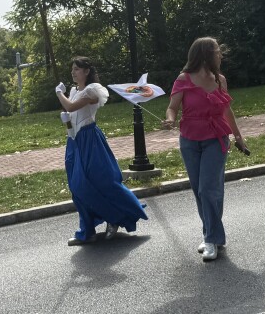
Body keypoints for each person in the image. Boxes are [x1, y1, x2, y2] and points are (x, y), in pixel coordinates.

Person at [162, 37, 248, 262]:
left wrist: (238, 136)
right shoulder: (183, 79)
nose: (220, 55)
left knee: (208, 189)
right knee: (201, 190)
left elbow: (227, 112)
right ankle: (211, 234)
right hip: (190, 140)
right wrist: (170, 120)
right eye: (217, 52)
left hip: (215, 138)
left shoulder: (220, 80)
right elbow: (172, 108)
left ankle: (211, 239)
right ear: (205, 55)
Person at [56, 57, 147, 245]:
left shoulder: (93, 90)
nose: (73, 72)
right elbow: (71, 111)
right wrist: (67, 119)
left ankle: (117, 217)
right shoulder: (74, 91)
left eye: (77, 69)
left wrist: (59, 93)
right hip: (74, 140)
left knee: (103, 182)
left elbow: (72, 106)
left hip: (90, 139)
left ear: (87, 71)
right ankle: (87, 230)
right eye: (72, 69)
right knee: (76, 186)